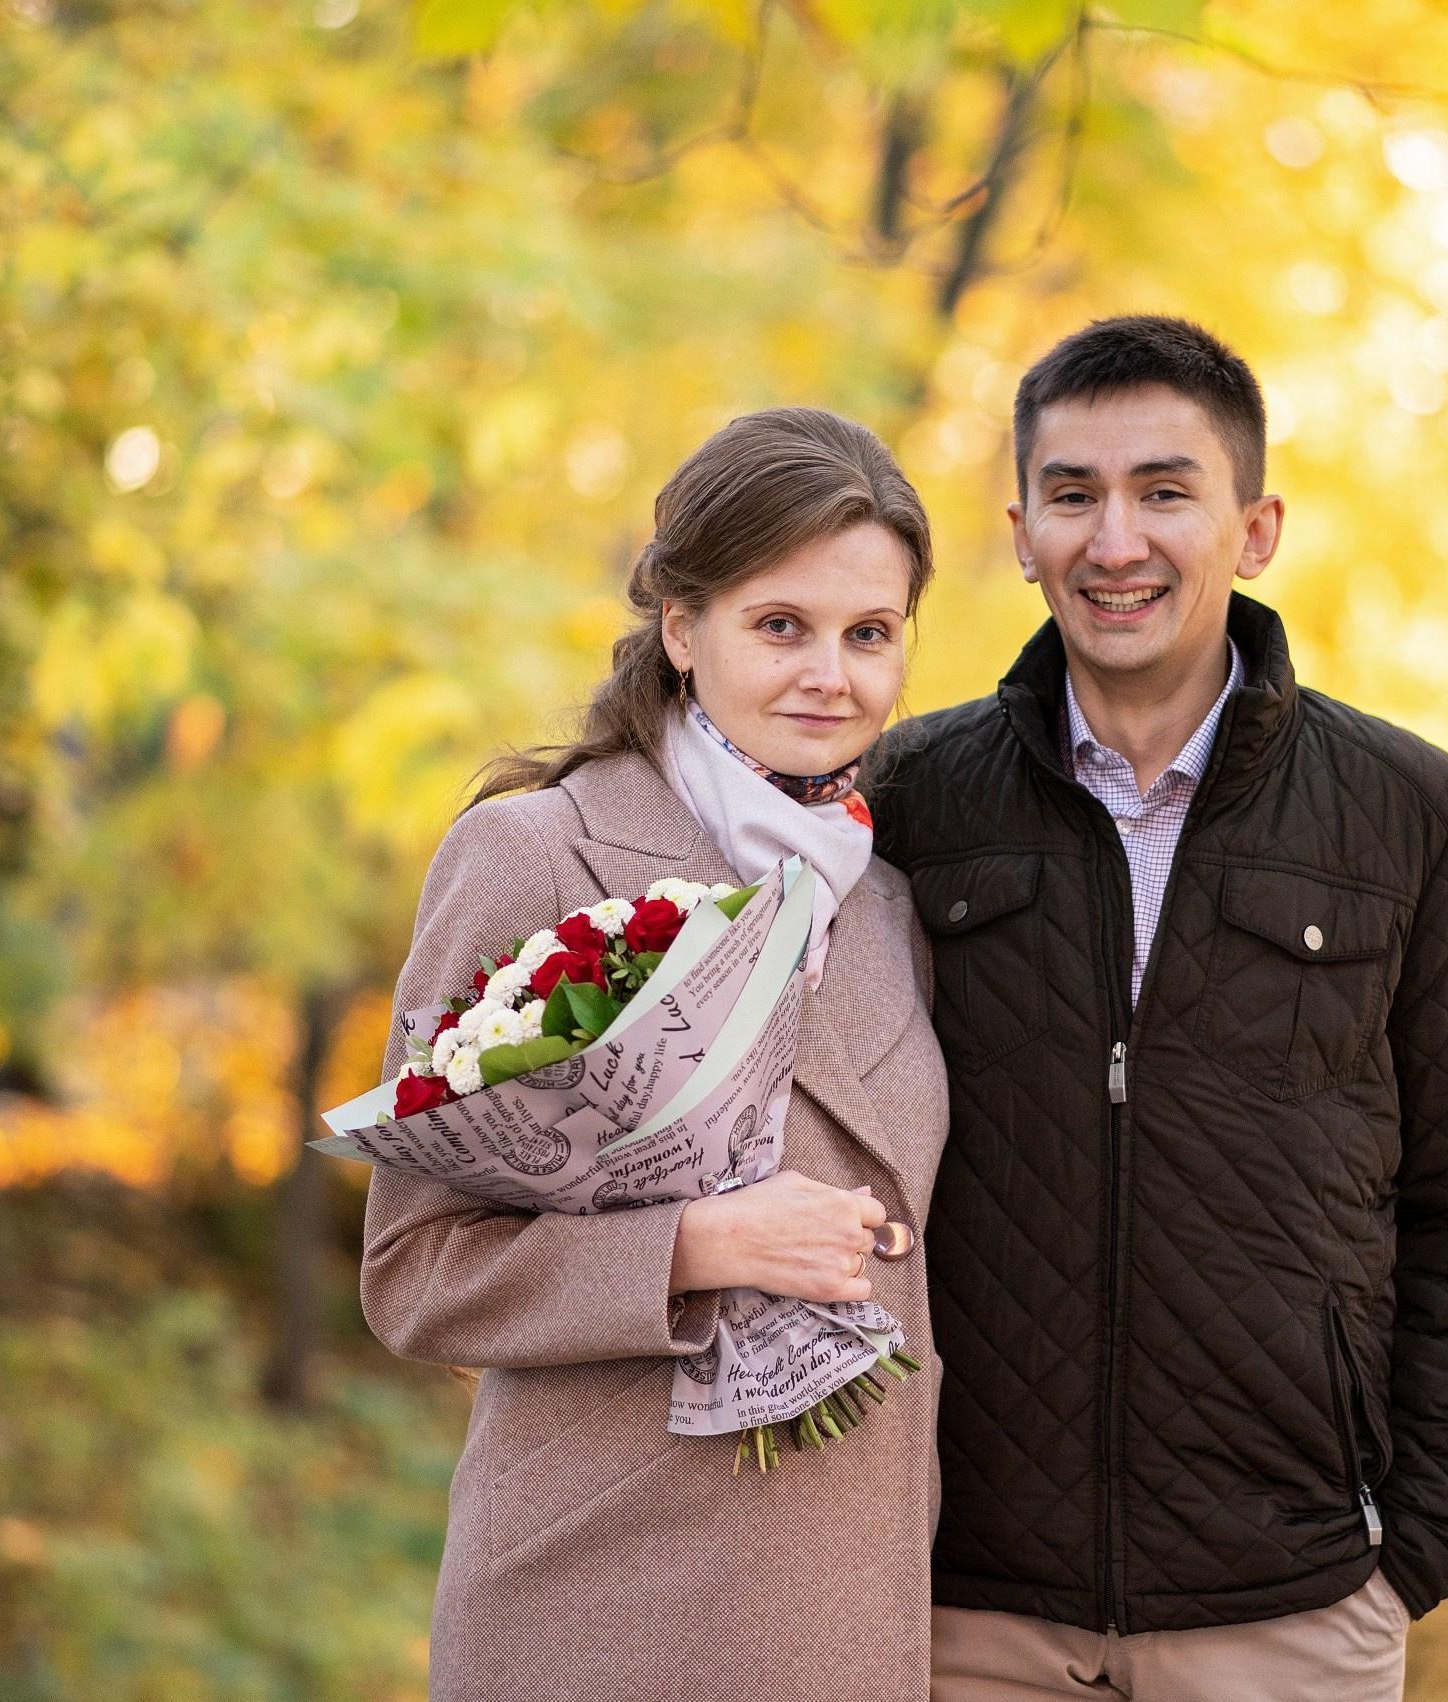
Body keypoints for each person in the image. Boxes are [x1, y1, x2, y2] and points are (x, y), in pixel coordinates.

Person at [868, 316, 1448, 1702]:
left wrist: (1424, 1534)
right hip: (955, 1601)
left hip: (1288, 1603)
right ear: (1020, 529)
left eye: (1165, 490)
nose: (1115, 539)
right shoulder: (904, 802)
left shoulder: (1418, 815)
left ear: (1255, 527)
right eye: (1074, 494)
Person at [359, 408, 951, 1702]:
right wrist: (698, 1245)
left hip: (850, 1596)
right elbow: (413, 1272)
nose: (830, 674)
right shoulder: (535, 854)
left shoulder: (892, 900)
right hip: (610, 1596)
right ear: (685, 628)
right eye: (780, 624)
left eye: (870, 634)